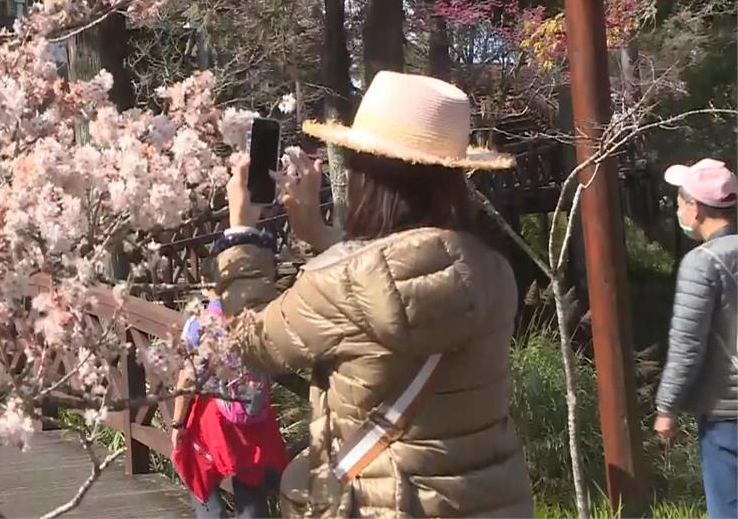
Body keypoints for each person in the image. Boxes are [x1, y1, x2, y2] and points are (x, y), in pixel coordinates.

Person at [214, 71, 533, 518]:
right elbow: (402, 279)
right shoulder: (494, 272)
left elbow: (248, 343)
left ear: (367, 176)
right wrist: (326, 237)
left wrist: (242, 232)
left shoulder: (341, 282)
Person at [654, 158, 737, 519]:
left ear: (696, 208)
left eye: (678, 203)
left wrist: (666, 407)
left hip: (726, 414)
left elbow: (687, 345)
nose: (677, 211)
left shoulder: (700, 264)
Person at [170, 296, 289, 518]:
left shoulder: (202, 323)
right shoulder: (265, 315)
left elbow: (187, 378)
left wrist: (177, 423)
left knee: (198, 470)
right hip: (255, 415)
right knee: (251, 483)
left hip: (215, 415)